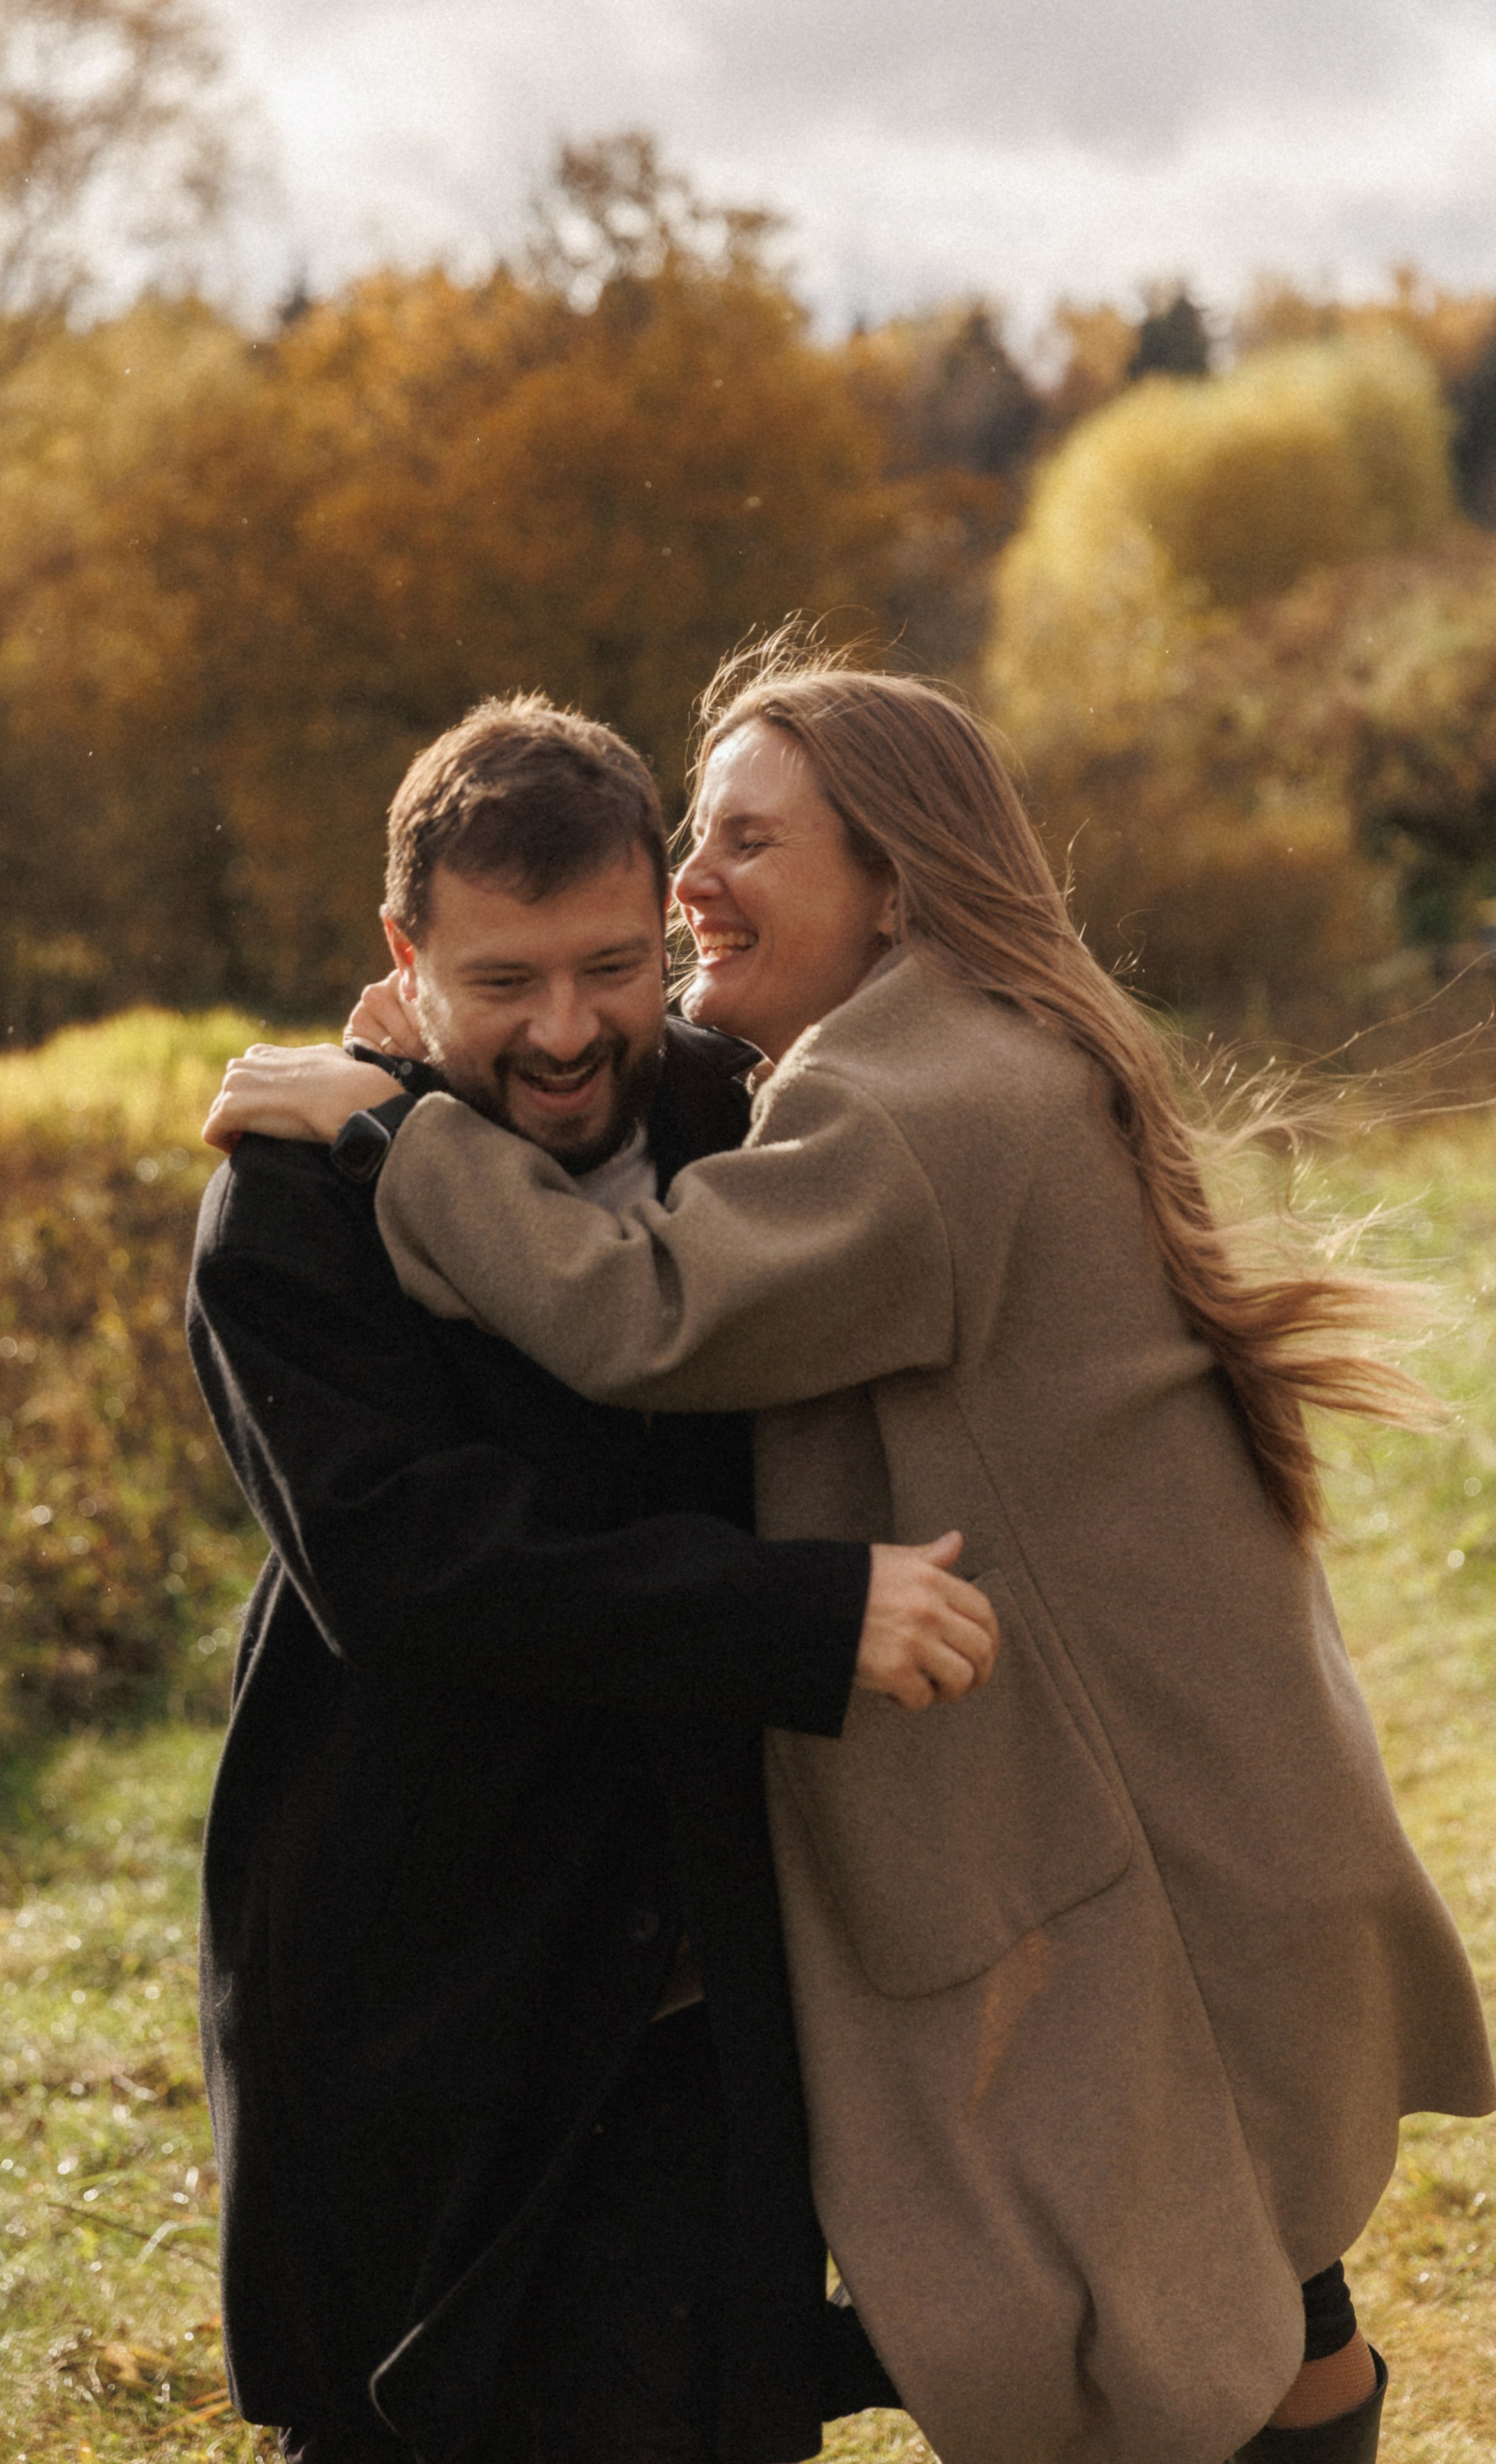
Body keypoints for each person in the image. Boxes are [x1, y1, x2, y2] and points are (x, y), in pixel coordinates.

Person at [220, 653, 1495, 2464]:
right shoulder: (939, 1048)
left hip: (1120, 1833)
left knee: (1201, 2301)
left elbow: (651, 1306)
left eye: (748, 839)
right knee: (1226, 2283)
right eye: (700, 835)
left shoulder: (910, 1097)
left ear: (892, 878)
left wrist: (396, 1123)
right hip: (1148, 1813)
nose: (692, 885)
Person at [187, 691, 999, 2464]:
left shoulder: (753, 1125)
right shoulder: (291, 1201)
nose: (568, 1033)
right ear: (407, 958)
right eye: (504, 984)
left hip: (702, 1987)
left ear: (668, 925)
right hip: (421, 1989)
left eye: (611, 968)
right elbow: (421, 1569)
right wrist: (805, 1612)